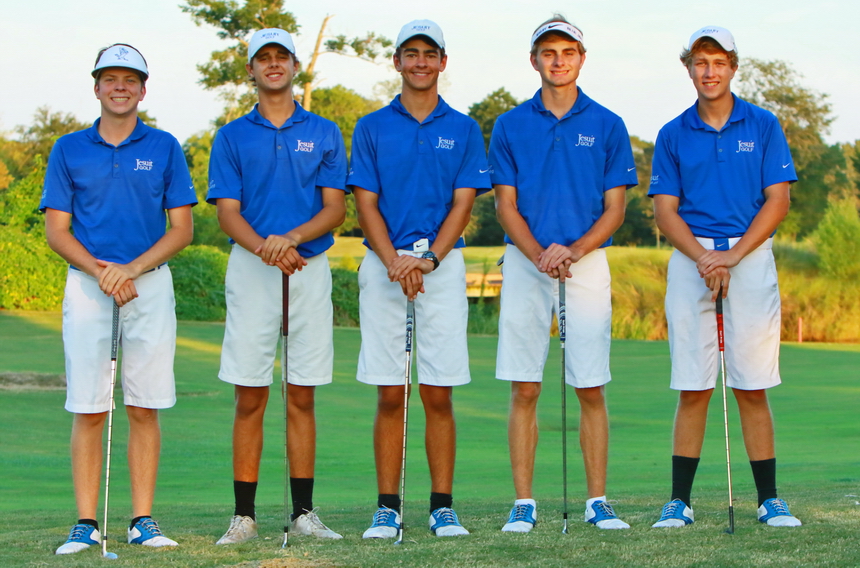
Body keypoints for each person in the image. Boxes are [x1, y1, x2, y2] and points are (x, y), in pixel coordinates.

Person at [42, 43, 197, 554]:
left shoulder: (165, 146)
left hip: (148, 284)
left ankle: (142, 521)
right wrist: (104, 272)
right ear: (96, 87)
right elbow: (57, 231)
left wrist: (130, 269)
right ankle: (85, 523)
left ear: (143, 89)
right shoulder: (69, 148)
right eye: (111, 78)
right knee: (89, 407)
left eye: (130, 79)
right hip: (89, 286)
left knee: (145, 406)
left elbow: (182, 229)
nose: (120, 87)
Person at [489, 16, 637, 533]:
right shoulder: (509, 124)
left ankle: (598, 500)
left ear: (581, 58)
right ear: (534, 60)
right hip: (526, 262)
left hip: (586, 262)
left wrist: (571, 251)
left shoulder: (608, 123)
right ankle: (523, 502)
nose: (558, 60)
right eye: (548, 52)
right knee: (525, 387)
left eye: (568, 51)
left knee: (590, 386)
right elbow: (505, 206)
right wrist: (539, 254)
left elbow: (615, 210)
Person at [649, 26, 801, 528]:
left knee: (752, 385)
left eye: (718, 62)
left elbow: (778, 201)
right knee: (693, 387)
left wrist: (731, 256)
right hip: (691, 258)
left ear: (733, 67)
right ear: (688, 68)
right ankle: (679, 501)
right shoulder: (673, 133)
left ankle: (769, 500)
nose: (709, 71)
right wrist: (705, 259)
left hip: (749, 255)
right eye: (700, 62)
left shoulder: (763, 124)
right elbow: (665, 211)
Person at [348, 19, 491, 539]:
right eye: (411, 53)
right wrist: (394, 260)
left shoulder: (464, 128)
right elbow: (365, 202)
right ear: (397, 62)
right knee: (391, 393)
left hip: (441, 267)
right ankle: (387, 507)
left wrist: (428, 258)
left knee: (438, 393)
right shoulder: (371, 127)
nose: (421, 62)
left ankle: (441, 507)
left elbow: (463, 204)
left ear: (442, 62)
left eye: (430, 54)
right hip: (383, 264)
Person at [206, 28, 347, 544]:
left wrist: (290, 239)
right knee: (250, 394)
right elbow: (227, 213)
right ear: (250, 69)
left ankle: (304, 512)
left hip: (308, 266)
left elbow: (335, 207)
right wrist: (267, 246)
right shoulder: (231, 136)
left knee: (302, 394)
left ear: (294, 66)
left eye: (281, 57)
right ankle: (244, 516)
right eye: (262, 58)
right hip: (252, 268)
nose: (272, 64)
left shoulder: (324, 131)